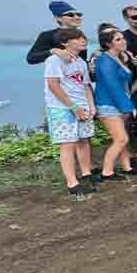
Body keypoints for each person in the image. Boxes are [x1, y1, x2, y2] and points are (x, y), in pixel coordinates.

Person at [44, 28, 97, 195]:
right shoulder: (54, 61)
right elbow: (53, 85)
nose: (83, 40)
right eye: (77, 38)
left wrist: (91, 105)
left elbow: (86, 85)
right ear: (64, 43)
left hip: (83, 106)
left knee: (83, 140)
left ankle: (86, 173)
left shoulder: (81, 62)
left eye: (83, 37)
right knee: (67, 144)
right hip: (62, 108)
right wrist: (73, 107)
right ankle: (72, 183)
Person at [94, 30, 137, 180]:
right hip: (108, 104)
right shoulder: (104, 60)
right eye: (118, 39)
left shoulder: (118, 58)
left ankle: (127, 167)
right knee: (121, 139)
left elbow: (124, 84)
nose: (123, 41)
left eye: (123, 38)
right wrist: (127, 107)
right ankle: (107, 172)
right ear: (108, 43)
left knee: (120, 138)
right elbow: (112, 85)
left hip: (118, 103)